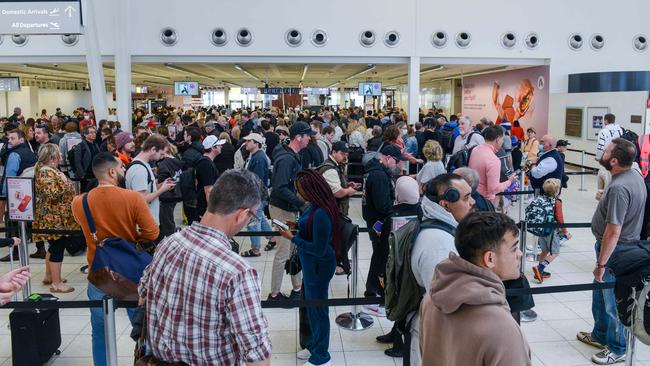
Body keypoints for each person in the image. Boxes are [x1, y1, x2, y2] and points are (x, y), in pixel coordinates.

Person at [138, 169, 271, 366]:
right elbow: (257, 357)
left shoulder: (168, 243)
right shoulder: (237, 272)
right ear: (243, 215)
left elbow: (143, 296)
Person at [71, 152, 159, 366]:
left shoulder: (79, 202)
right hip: (130, 273)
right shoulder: (133, 198)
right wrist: (130, 239)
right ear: (111, 171)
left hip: (99, 272)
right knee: (142, 329)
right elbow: (152, 233)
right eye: (121, 167)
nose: (124, 170)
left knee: (99, 330)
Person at [419, 212, 532, 366]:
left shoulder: (430, 299)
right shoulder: (502, 328)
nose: (520, 253)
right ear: (490, 258)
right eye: (514, 248)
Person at [577, 138, 646, 364]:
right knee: (600, 295)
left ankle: (617, 347)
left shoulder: (618, 187)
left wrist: (601, 264)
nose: (601, 151)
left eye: (605, 150)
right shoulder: (632, 175)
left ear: (614, 160)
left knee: (612, 301)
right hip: (616, 248)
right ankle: (600, 335)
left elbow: (613, 232)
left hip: (616, 252)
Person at [277, 170, 340, 366]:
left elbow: (319, 249)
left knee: (318, 310)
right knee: (312, 309)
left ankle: (321, 356)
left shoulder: (322, 213)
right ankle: (314, 346)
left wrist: (292, 238)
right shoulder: (314, 206)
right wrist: (296, 226)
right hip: (311, 266)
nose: (298, 194)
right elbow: (310, 230)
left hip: (319, 267)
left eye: (300, 190)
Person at [268, 121, 313, 301]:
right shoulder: (287, 159)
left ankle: (297, 288)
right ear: (298, 137)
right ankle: (274, 293)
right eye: (307, 135)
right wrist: (302, 203)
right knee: (283, 251)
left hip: (289, 208)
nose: (309, 139)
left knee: (295, 248)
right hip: (282, 210)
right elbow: (280, 188)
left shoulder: (289, 153)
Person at [32, 143, 79, 293]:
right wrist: (66, 185)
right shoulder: (46, 172)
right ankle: (57, 283)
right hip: (54, 218)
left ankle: (49, 275)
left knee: (53, 247)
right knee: (57, 247)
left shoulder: (50, 170)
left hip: (56, 216)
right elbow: (52, 193)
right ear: (54, 156)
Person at [362, 144, 405, 302]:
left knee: (379, 257)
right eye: (397, 160)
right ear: (387, 158)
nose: (398, 164)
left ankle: (375, 290)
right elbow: (382, 205)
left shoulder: (373, 171)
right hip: (379, 223)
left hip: (374, 221)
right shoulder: (379, 176)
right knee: (380, 257)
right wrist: (396, 205)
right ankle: (373, 292)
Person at [125, 134, 176, 227]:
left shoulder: (143, 164)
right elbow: (142, 199)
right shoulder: (139, 169)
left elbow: (147, 189)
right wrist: (162, 190)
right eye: (161, 153)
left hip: (147, 221)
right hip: (145, 223)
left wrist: (162, 185)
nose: (163, 157)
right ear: (153, 150)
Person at [531, 178, 571, 283]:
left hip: (541, 229)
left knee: (544, 251)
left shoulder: (541, 198)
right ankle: (539, 269)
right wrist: (565, 232)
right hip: (551, 231)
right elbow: (560, 218)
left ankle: (540, 270)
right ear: (557, 190)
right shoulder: (557, 202)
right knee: (555, 253)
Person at [241, 133, 274, 258]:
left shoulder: (259, 158)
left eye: (249, 141)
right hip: (258, 195)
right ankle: (272, 238)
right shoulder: (256, 155)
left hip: (256, 195)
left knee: (253, 221)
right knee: (260, 217)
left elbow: (257, 180)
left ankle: (255, 249)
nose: (246, 143)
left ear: (256, 143)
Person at [467, 125, 518, 204]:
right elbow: (493, 189)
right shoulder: (493, 160)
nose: (503, 142)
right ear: (497, 140)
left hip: (472, 195)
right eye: (502, 139)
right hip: (484, 201)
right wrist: (510, 181)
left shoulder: (476, 149)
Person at [318, 141, 359, 217]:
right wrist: (348, 191)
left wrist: (346, 184)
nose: (345, 157)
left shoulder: (335, 165)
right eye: (342, 154)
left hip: (332, 210)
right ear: (334, 152)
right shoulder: (330, 169)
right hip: (331, 212)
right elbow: (338, 193)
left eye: (347, 154)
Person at [193, 135, 225, 222]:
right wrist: (212, 211)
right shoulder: (206, 164)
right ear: (213, 147)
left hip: (203, 204)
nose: (221, 146)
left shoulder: (206, 162)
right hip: (204, 206)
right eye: (219, 145)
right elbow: (208, 190)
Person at [155, 144, 184, 238]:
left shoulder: (163, 164)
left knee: (166, 222)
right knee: (168, 220)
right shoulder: (176, 161)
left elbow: (161, 182)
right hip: (176, 194)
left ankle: (171, 240)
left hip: (166, 196)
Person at [595, 113, 623, 193]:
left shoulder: (603, 131)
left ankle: (604, 195)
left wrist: (598, 157)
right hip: (617, 158)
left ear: (606, 121)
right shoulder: (620, 130)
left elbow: (600, 146)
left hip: (606, 158)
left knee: (604, 177)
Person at [72, 125, 101, 192]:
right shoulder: (80, 146)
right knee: (85, 193)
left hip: (96, 174)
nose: (94, 134)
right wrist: (82, 174)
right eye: (91, 132)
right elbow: (77, 161)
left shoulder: (95, 144)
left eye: (94, 132)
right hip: (86, 176)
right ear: (85, 134)